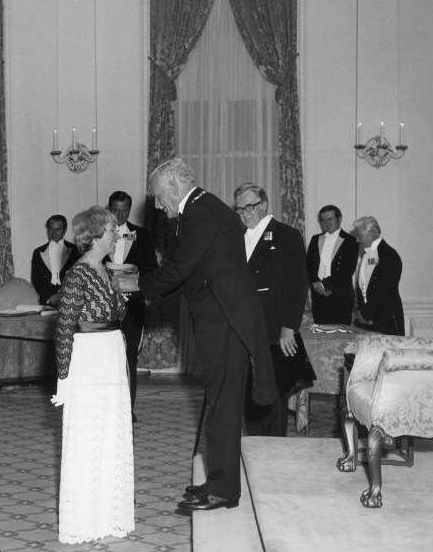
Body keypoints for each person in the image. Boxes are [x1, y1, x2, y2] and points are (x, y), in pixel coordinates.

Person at [115, 159, 276, 512]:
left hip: (227, 321)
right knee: (219, 402)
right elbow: (190, 270)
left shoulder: (201, 211)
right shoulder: (199, 209)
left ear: (173, 187)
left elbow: (178, 268)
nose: (158, 205)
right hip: (219, 319)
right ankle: (218, 480)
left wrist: (136, 285)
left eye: (159, 197)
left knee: (225, 405)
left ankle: (225, 491)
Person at [51, 206, 134, 544]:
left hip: (112, 353)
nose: (118, 235)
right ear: (97, 234)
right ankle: (84, 520)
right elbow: (64, 329)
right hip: (88, 358)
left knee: (112, 432)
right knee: (87, 437)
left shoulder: (106, 270)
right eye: (114, 230)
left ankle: (110, 516)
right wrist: (63, 378)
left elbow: (118, 313)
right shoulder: (77, 275)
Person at [234, 183, 309, 437]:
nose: (245, 214)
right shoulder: (236, 238)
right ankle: (254, 448)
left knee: (273, 394)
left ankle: (275, 452)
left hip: (274, 330)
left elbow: (297, 286)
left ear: (263, 204)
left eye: (249, 207)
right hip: (244, 329)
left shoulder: (286, 235)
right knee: (249, 393)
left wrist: (288, 328)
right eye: (240, 209)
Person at [104, 191, 158, 422]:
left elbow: (152, 270)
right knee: (105, 356)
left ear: (130, 208)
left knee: (129, 358)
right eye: (115, 209)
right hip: (104, 305)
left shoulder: (142, 235)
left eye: (124, 210)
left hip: (133, 305)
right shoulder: (101, 233)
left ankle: (127, 409)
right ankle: (106, 408)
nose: (119, 214)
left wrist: (136, 272)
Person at [306, 205, 359, 325]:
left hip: (341, 296)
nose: (326, 223)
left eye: (330, 219)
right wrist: (317, 286)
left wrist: (324, 285)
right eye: (323, 220)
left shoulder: (351, 241)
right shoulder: (315, 239)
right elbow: (308, 266)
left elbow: (347, 270)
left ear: (339, 219)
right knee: (321, 335)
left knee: (340, 336)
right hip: (318, 296)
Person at [353, 216, 404, 335]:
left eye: (358, 235)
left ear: (370, 233)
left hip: (386, 320)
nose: (357, 240)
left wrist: (365, 313)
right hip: (367, 321)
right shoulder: (367, 255)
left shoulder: (389, 255)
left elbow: (384, 291)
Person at [31, 215, 81, 306]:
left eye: (58, 229)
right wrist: (50, 297)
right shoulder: (38, 252)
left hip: (70, 300)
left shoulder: (75, 250)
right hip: (47, 302)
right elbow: (37, 280)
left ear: (65, 230)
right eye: (51, 229)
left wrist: (62, 295)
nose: (54, 233)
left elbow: (79, 278)